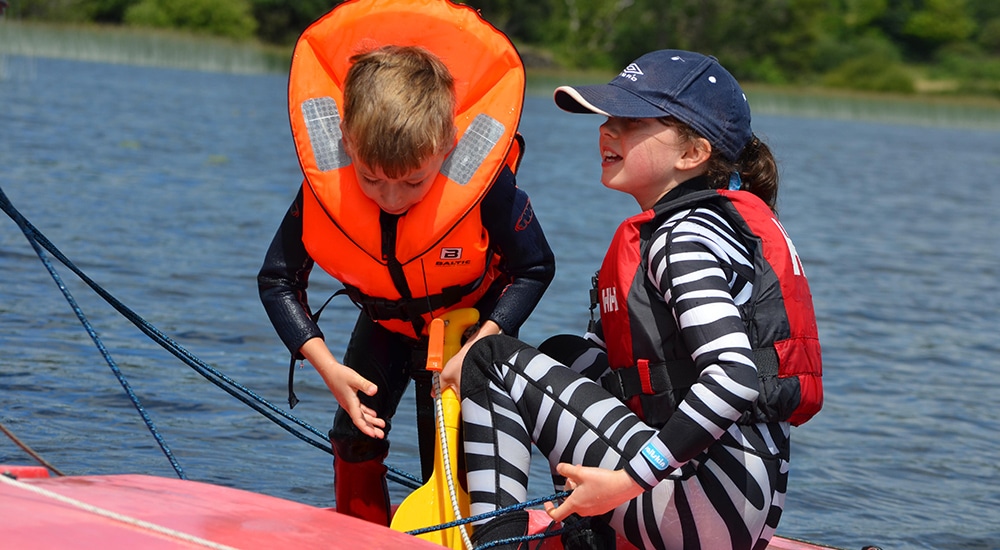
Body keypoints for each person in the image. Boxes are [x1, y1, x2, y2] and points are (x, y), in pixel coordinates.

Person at [445, 49, 823, 550]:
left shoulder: (683, 239)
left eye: (631, 122)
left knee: (490, 360)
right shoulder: (703, 226)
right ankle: (590, 537)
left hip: (702, 509)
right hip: (738, 505)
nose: (607, 131)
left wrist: (624, 484)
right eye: (608, 119)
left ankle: (495, 545)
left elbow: (735, 377)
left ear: (693, 154)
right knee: (563, 355)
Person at [257, 0, 555, 528]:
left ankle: (462, 533)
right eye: (371, 179)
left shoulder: (486, 188)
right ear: (347, 142)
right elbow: (277, 280)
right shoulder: (325, 191)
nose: (391, 198)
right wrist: (327, 368)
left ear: (447, 146)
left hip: (466, 329)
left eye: (413, 182)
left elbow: (535, 269)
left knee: (442, 457)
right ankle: (359, 535)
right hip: (385, 323)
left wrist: (485, 341)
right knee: (352, 440)